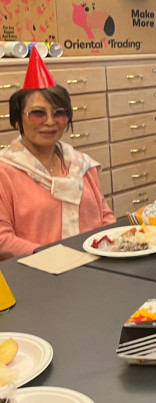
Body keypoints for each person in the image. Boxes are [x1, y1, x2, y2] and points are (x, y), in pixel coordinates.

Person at [0, 51, 114, 260]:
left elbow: (105, 216)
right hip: (35, 270)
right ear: (17, 120)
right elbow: (3, 240)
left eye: (59, 113)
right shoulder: (4, 172)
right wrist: (56, 258)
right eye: (37, 113)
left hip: (95, 266)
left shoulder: (81, 164)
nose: (50, 122)